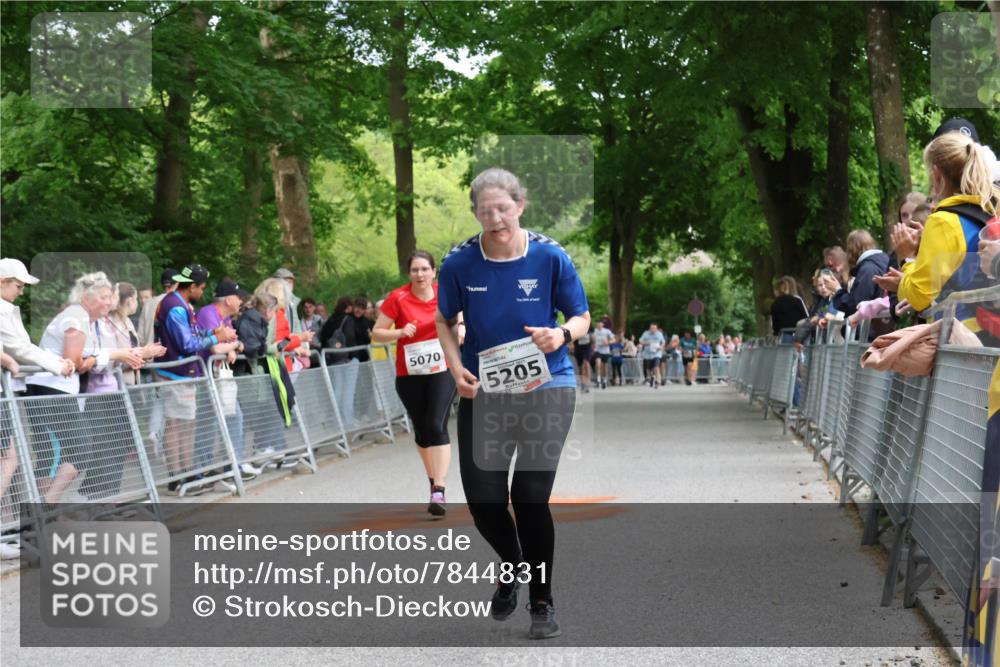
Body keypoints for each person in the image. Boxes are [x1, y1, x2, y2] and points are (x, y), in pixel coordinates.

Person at [434, 167, 590, 640]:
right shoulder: (458, 263)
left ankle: (541, 601)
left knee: (529, 497)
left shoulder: (549, 254)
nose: (496, 218)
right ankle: (513, 564)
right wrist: (454, 364)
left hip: (548, 386)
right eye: (486, 211)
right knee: (483, 502)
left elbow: (581, 316)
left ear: (520, 205)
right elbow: (445, 320)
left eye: (504, 208)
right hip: (486, 390)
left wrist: (560, 333)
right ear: (475, 214)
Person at [26, 272, 143, 504]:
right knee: (62, 452)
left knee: (73, 450)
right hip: (49, 389)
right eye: (104, 297)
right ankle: (41, 509)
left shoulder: (83, 319)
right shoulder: (76, 317)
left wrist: (95, 358)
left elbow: (80, 360)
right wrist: (111, 354)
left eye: (110, 297)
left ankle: (45, 507)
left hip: (59, 390)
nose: (109, 302)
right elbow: (74, 363)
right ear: (87, 297)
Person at [875, 123, 999, 329]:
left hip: (961, 343)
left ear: (937, 174)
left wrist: (908, 257)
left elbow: (918, 296)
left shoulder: (943, 221)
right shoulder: (993, 209)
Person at [372, 250, 457, 517]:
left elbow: (461, 317)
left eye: (424, 269)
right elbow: (376, 333)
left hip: (442, 369)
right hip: (409, 374)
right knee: (422, 432)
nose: (419, 274)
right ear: (409, 273)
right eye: (414, 270)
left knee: (436, 424)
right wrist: (398, 332)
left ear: (433, 272)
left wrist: (462, 328)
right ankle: (433, 482)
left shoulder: (445, 293)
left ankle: (440, 488)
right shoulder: (398, 298)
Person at [153, 264, 238, 493]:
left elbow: (194, 334)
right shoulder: (175, 307)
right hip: (174, 373)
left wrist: (213, 333)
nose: (203, 292)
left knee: (187, 423)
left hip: (185, 373)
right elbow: (187, 344)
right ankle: (178, 475)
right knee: (176, 424)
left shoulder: (184, 305)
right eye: (201, 288)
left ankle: (189, 472)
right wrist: (214, 339)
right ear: (192, 286)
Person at [197, 280, 258, 478]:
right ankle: (206, 466)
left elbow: (234, 343)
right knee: (209, 421)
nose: (241, 301)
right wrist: (232, 347)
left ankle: (232, 464)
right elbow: (217, 348)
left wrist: (232, 347)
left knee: (232, 416)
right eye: (239, 298)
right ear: (228, 299)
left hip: (218, 375)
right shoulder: (208, 313)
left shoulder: (226, 318)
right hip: (205, 375)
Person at [822, 230, 890, 335]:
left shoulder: (868, 269)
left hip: (869, 333)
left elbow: (856, 304)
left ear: (852, 249)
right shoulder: (882, 262)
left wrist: (837, 290)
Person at [320, 297, 360, 429]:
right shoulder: (348, 319)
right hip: (348, 358)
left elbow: (322, 337)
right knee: (349, 390)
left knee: (337, 389)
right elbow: (350, 337)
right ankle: (347, 421)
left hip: (334, 359)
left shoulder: (330, 320)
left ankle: (336, 420)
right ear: (348, 307)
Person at [138, 268, 179, 347]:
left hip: (150, 354)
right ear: (177, 284)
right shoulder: (179, 303)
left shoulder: (148, 304)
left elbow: (140, 336)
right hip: (173, 357)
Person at [639, 323, 665, 388]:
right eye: (652, 328)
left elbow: (663, 342)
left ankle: (658, 381)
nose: (653, 330)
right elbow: (640, 341)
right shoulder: (646, 333)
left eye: (654, 328)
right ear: (649, 329)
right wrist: (647, 342)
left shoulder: (659, 334)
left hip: (657, 354)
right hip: (648, 354)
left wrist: (661, 347)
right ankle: (652, 378)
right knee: (649, 369)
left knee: (656, 367)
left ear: (657, 328)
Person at [591, 319, 614, 389]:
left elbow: (614, 340)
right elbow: (592, 340)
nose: (599, 325)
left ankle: (605, 380)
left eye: (600, 324)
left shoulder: (607, 331)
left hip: (606, 351)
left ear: (602, 324)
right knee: (598, 364)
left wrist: (607, 342)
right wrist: (592, 340)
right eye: (598, 324)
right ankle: (598, 380)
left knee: (605, 366)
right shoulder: (594, 331)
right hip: (597, 350)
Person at [571, 325, 592, 393]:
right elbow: (572, 338)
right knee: (581, 367)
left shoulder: (589, 325)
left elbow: (592, 337)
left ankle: (587, 383)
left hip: (587, 348)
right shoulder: (575, 325)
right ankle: (583, 383)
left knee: (586, 363)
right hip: (578, 348)